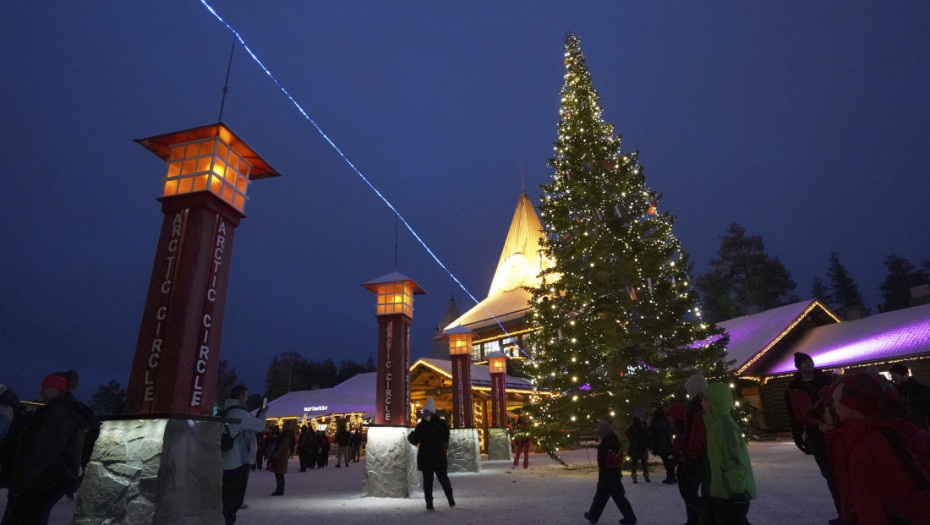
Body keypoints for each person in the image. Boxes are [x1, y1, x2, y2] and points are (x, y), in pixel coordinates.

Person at [830, 371, 930, 525]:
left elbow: (914, 488)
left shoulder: (882, 436)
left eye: (838, 400)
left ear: (854, 402)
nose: (834, 406)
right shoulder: (857, 436)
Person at [2, 370, 97, 525]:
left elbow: (42, 451)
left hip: (40, 483)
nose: (41, 391)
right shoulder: (59, 412)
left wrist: (21, 483)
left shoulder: (58, 414)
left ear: (57, 389)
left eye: (45, 387)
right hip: (48, 482)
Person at [784, 351, 841, 523]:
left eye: (810, 361)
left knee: (840, 470)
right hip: (814, 433)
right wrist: (797, 435)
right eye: (805, 362)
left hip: (833, 429)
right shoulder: (793, 388)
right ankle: (842, 510)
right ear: (799, 366)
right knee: (828, 473)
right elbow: (793, 414)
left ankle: (851, 510)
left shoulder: (826, 381)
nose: (809, 364)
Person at [702, 383, 756, 525]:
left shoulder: (724, 425)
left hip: (731, 492)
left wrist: (737, 491)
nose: (702, 404)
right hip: (723, 491)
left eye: (705, 400)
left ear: (716, 401)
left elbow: (733, 458)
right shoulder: (713, 424)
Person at [221, 385, 267, 525]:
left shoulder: (226, 411)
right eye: (246, 396)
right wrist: (263, 413)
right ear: (240, 396)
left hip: (226, 461)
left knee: (227, 496)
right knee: (233, 499)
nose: (247, 400)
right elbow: (259, 426)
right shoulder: (238, 413)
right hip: (237, 462)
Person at [584, 420, 637, 524]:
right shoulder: (614, 439)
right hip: (614, 473)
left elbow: (603, 459)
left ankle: (594, 516)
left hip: (607, 475)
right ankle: (593, 516)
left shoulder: (606, 442)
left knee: (605, 497)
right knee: (612, 496)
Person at [407, 397, 454, 511]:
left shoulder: (440, 424)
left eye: (426, 411)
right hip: (426, 457)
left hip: (438, 457)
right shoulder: (422, 425)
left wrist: (443, 449)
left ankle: (450, 499)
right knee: (428, 483)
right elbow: (415, 440)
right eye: (423, 411)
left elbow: (445, 438)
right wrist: (411, 436)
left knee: (443, 480)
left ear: (431, 411)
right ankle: (429, 504)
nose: (424, 413)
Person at [675, 374, 708, 525]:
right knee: (691, 489)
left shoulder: (695, 407)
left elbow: (694, 433)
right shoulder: (703, 404)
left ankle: (700, 516)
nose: (687, 391)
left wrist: (688, 452)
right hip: (700, 454)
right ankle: (694, 518)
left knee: (688, 489)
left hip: (694, 455)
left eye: (689, 388)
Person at [888, 363, 930, 430]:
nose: (892, 378)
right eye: (892, 375)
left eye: (894, 375)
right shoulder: (896, 389)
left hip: (917, 426)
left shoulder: (918, 390)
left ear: (904, 374)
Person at [267, 420, 295, 496]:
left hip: (281, 456)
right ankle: (279, 489)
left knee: (279, 473)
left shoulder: (286, 435)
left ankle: (280, 490)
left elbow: (282, 446)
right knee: (279, 473)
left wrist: (275, 454)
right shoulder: (285, 435)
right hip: (281, 455)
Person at [649, 406, 676, 484]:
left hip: (661, 443)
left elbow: (654, 432)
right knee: (668, 459)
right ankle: (671, 476)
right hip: (667, 443)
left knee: (666, 460)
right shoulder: (666, 420)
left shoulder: (656, 421)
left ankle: (670, 476)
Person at [625, 408, 650, 483]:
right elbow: (628, 432)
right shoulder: (634, 424)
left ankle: (646, 475)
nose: (642, 417)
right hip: (636, 446)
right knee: (634, 461)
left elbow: (646, 433)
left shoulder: (644, 424)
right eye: (641, 416)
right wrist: (633, 440)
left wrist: (647, 440)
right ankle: (634, 476)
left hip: (642, 445)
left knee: (644, 462)